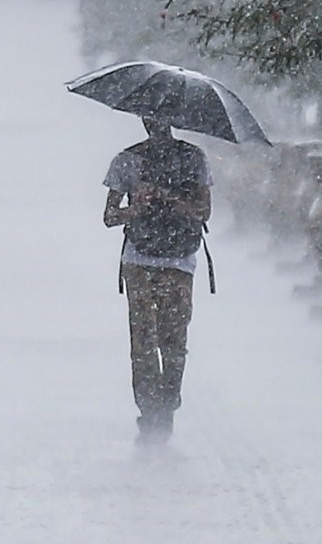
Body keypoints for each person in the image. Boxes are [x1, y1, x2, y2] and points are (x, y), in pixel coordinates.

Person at [103, 116, 212, 443]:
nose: (155, 123)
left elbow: (202, 211)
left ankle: (163, 406)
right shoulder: (129, 160)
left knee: (170, 339)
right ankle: (154, 409)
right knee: (149, 339)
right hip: (143, 261)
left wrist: (167, 198)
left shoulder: (192, 159)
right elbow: (109, 216)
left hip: (175, 262)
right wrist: (136, 208)